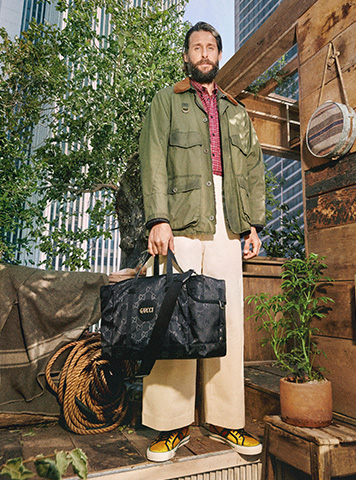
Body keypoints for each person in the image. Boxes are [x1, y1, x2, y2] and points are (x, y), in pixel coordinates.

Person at [138, 21, 265, 462]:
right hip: (179, 222)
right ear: (187, 56)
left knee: (225, 323)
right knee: (174, 320)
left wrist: (252, 225)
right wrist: (158, 219)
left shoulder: (236, 112)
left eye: (211, 47)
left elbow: (252, 171)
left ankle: (227, 421)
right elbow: (153, 159)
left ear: (219, 55)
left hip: (228, 223)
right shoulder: (166, 101)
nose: (204, 53)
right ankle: (170, 426)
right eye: (197, 47)